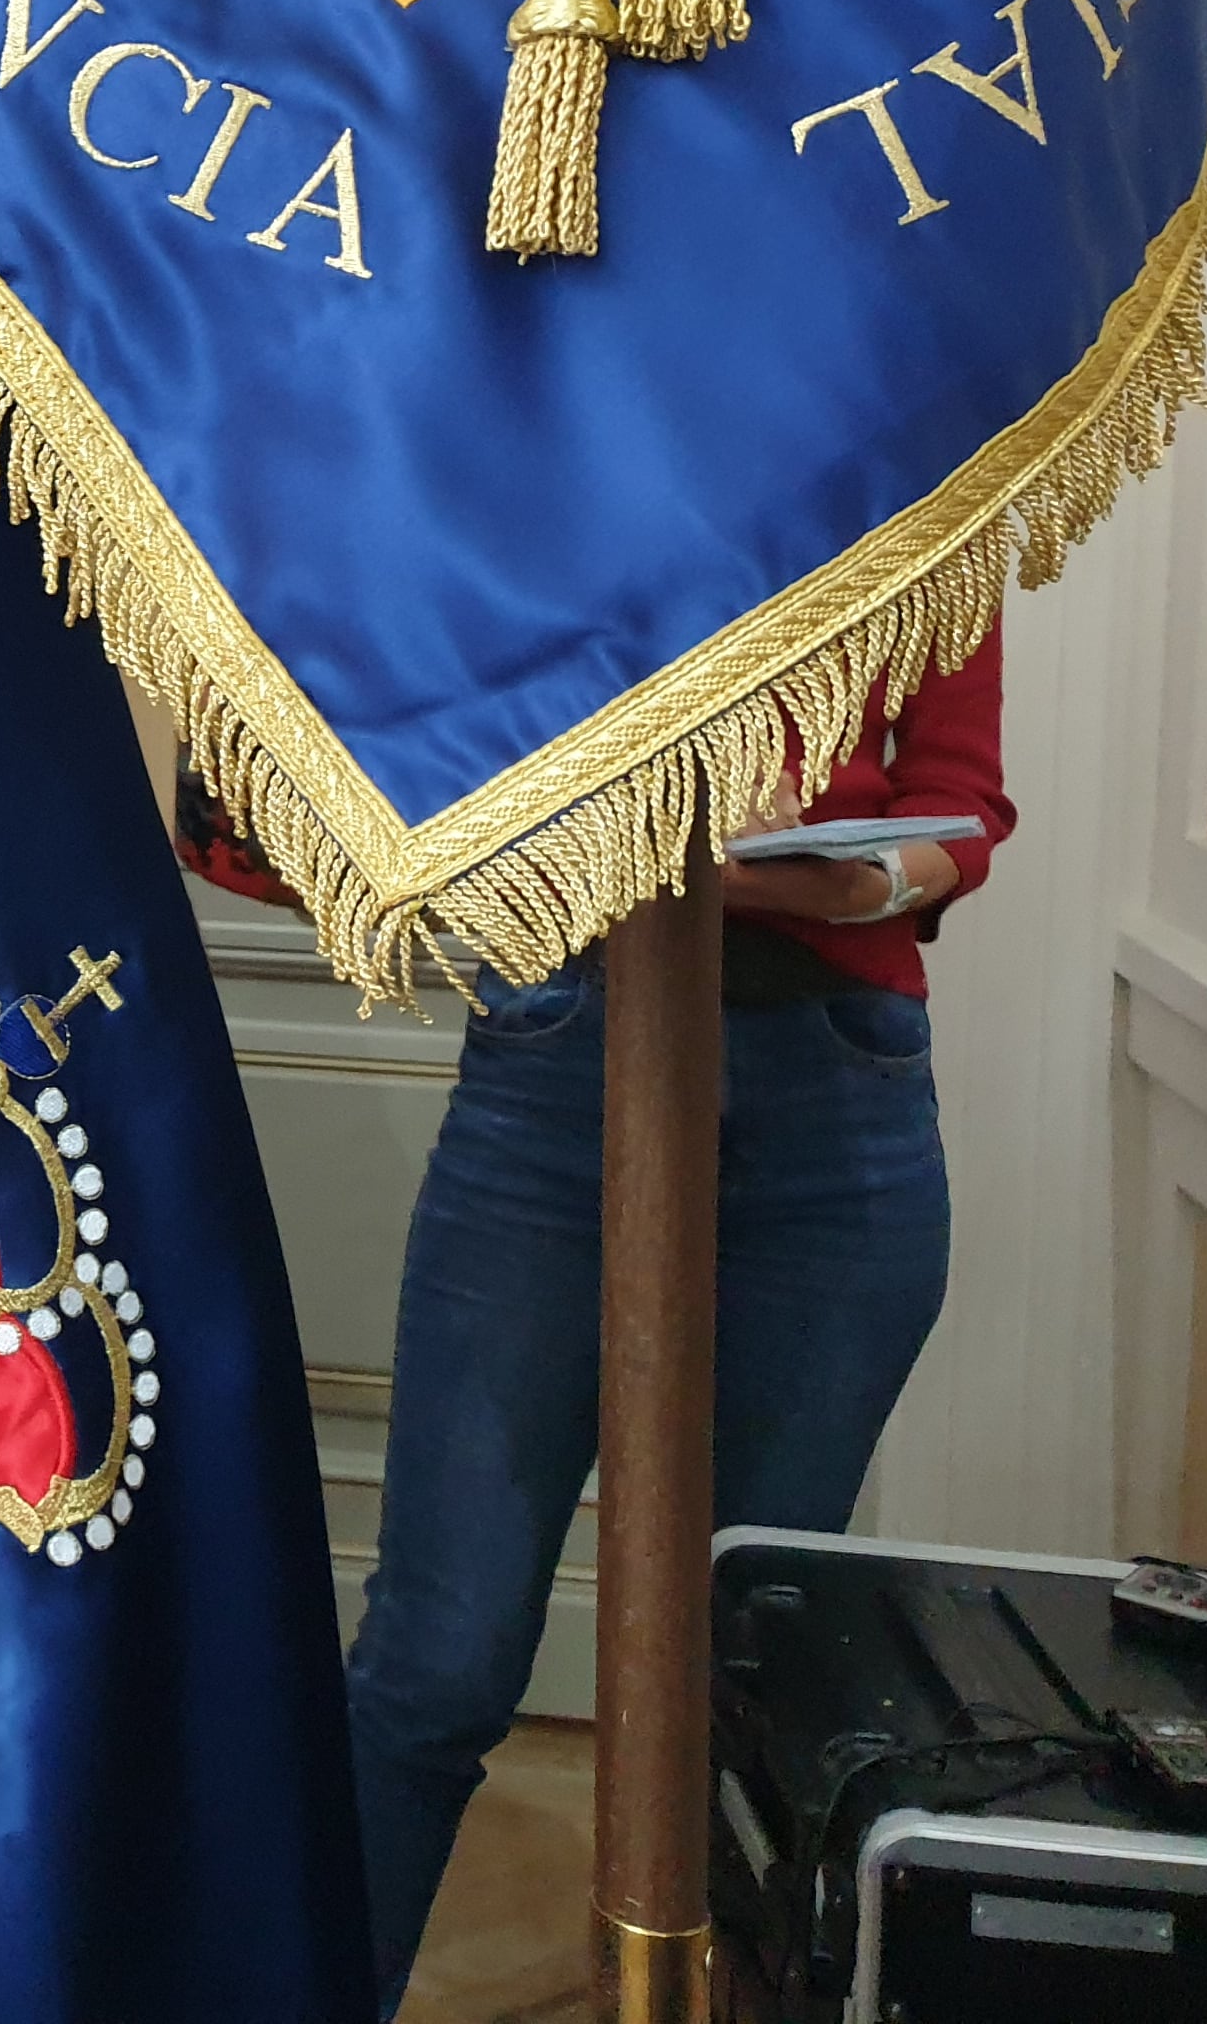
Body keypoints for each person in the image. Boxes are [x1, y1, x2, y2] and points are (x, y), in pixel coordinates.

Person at [338, 628, 1011, 2011]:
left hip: (839, 1100)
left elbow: (966, 806)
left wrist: (845, 874)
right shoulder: (569, 467)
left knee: (750, 1685)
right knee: (437, 1658)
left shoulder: (927, 468)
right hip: (560, 1058)